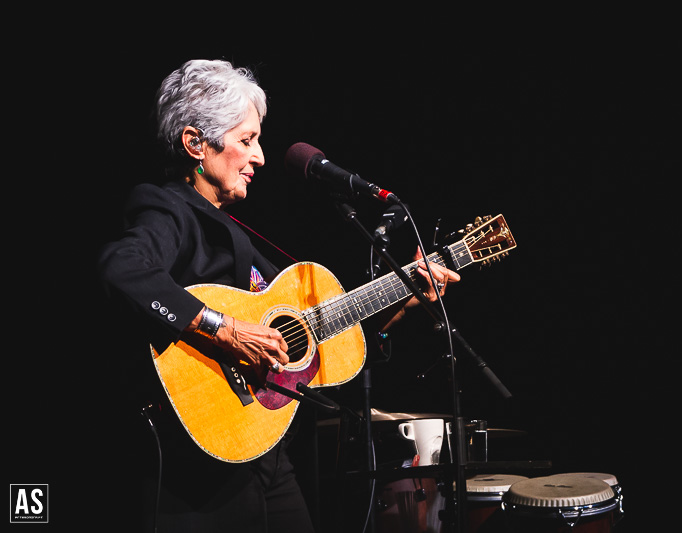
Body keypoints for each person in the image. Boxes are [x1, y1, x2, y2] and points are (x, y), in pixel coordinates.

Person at [97, 59, 459, 533]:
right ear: (195, 144)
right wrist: (221, 328)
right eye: (246, 140)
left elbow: (320, 331)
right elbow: (120, 267)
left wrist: (406, 298)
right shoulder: (166, 207)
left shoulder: (237, 232)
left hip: (265, 457)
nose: (261, 156)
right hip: (198, 474)